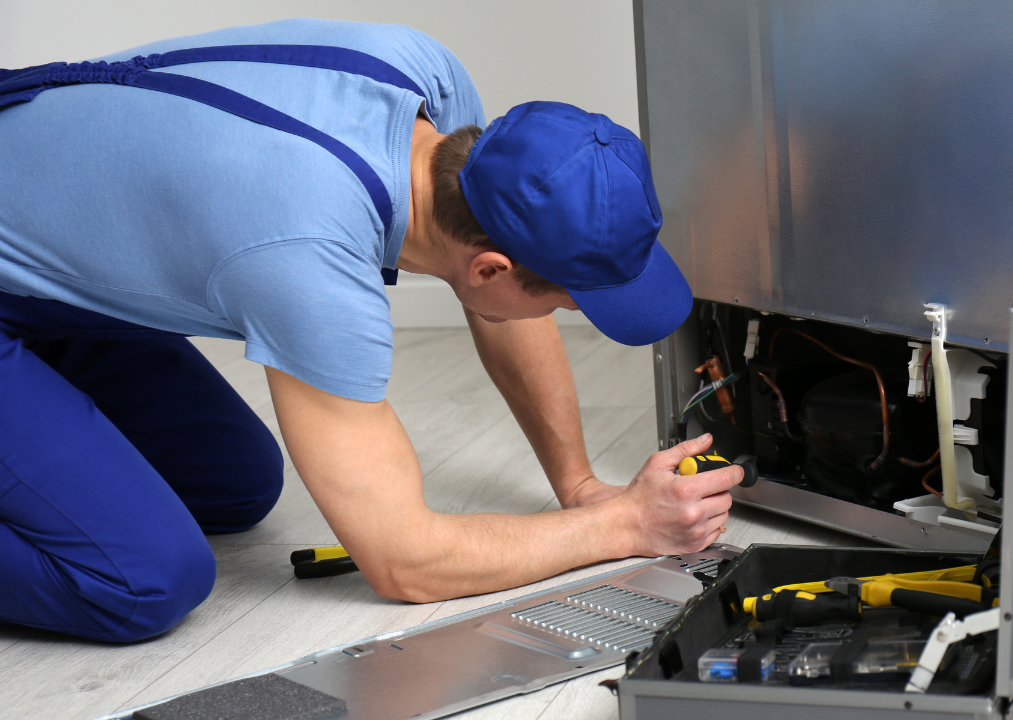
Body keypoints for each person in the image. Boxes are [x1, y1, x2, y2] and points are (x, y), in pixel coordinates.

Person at [0, 18, 742, 643]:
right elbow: (404, 561)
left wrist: (579, 487)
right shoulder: (310, 256)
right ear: (490, 268)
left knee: (235, 485)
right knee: (146, 579)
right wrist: (624, 529)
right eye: (563, 303)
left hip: (45, 267)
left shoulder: (433, 94)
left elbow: (500, 304)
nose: (557, 316)